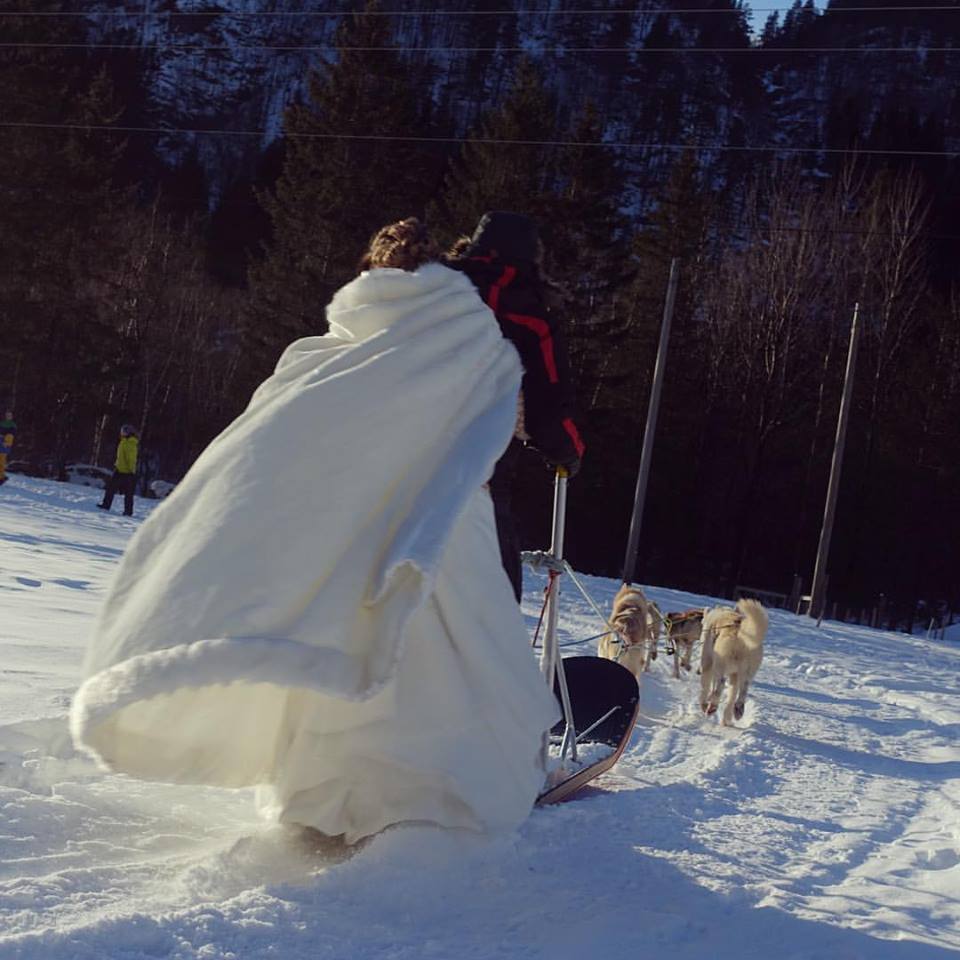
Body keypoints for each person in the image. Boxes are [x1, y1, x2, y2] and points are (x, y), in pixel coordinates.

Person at [71, 218, 559, 846]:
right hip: (446, 515)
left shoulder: (339, 342)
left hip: (360, 514)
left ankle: (326, 791)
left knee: (349, 631)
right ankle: (433, 792)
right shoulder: (481, 335)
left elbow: (285, 428)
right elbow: (498, 425)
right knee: (454, 649)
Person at [446, 211, 585, 602]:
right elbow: (549, 413)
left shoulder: (430, 289)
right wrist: (569, 454)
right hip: (480, 479)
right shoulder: (532, 315)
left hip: (396, 466)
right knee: (497, 608)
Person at [97, 424, 138, 516]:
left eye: (124, 431)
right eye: (122, 431)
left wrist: (132, 471)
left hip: (128, 472)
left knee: (128, 493)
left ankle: (128, 511)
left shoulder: (130, 443)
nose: (122, 433)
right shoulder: (124, 441)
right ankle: (106, 505)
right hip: (119, 469)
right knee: (110, 489)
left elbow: (131, 458)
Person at [0, 409, 15, 486]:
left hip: (4, 446)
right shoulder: (2, 423)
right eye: (7, 415)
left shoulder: (12, 425)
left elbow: (11, 435)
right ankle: (2, 476)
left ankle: (1, 477)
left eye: (10, 415)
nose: (8, 416)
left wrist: (6, 442)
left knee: (1, 462)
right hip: (1, 442)